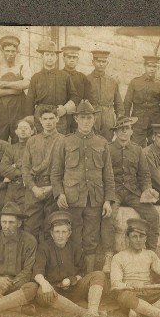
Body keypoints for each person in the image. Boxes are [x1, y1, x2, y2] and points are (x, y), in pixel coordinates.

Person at [50, 100, 116, 273]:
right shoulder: (65, 142)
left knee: (91, 239)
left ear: (94, 120)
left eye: (89, 118)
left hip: (94, 200)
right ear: (76, 120)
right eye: (82, 118)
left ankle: (89, 276)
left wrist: (108, 200)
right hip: (71, 200)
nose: (86, 121)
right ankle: (72, 275)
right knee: (72, 238)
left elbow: (108, 176)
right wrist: (59, 194)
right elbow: (56, 173)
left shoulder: (102, 143)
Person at [100, 115, 160, 273]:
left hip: (133, 192)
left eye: (126, 129)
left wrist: (147, 190)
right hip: (114, 192)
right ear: (116, 132)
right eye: (120, 129)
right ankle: (108, 256)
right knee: (108, 217)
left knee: (153, 215)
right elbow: (103, 174)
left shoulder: (137, 149)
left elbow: (144, 175)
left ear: (131, 130)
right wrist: (108, 197)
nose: (124, 132)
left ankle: (152, 254)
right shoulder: (107, 148)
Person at [34, 211, 109, 317]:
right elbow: (37, 272)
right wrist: (44, 283)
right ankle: (85, 312)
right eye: (57, 232)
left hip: (73, 290)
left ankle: (93, 310)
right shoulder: (44, 248)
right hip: (52, 291)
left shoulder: (75, 248)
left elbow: (82, 272)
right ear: (51, 233)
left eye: (64, 232)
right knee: (42, 293)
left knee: (98, 274)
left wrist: (72, 279)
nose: (60, 235)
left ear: (69, 233)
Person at [21, 105, 63, 241]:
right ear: (40, 120)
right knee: (30, 229)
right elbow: (25, 169)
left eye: (52, 118)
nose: (48, 122)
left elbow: (68, 170)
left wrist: (53, 188)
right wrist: (34, 188)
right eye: (45, 119)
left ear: (57, 119)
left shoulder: (64, 141)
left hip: (54, 190)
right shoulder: (32, 141)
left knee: (51, 230)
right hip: (35, 189)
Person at [25, 39, 78, 134]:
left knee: (59, 143)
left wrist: (65, 109)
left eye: (52, 55)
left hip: (58, 115)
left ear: (56, 58)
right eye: (47, 55)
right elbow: (29, 99)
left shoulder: (65, 76)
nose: (50, 58)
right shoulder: (36, 77)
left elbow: (74, 96)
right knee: (40, 143)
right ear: (42, 57)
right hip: (40, 116)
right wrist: (30, 118)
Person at [0, 35, 33, 143]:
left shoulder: (23, 68)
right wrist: (13, 91)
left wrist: (2, 84)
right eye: (7, 51)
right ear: (2, 51)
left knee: (20, 140)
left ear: (17, 52)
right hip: (0, 111)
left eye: (13, 51)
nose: (10, 54)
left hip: (19, 110)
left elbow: (25, 84)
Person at [123, 55, 160, 147]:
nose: (152, 69)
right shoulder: (135, 82)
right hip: (138, 121)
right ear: (145, 66)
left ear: (158, 68)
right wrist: (126, 121)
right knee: (135, 147)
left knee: (153, 148)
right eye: (149, 66)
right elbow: (127, 103)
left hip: (154, 121)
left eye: (154, 67)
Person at [87, 50, 124, 141]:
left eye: (103, 62)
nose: (101, 64)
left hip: (108, 117)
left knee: (107, 142)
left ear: (107, 63)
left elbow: (118, 102)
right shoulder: (87, 79)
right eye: (98, 61)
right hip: (92, 115)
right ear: (93, 62)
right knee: (91, 141)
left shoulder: (112, 81)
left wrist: (120, 117)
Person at [0, 117, 35, 212]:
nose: (23, 130)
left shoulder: (36, 148)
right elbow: (4, 169)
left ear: (32, 131)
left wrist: (15, 165)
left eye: (26, 128)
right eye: (20, 128)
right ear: (16, 132)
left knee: (26, 214)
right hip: (12, 188)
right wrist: (23, 172)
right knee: (8, 212)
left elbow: (35, 168)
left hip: (28, 188)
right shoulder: (11, 149)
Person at [60, 45, 98, 132]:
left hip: (78, 117)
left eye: (74, 57)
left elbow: (89, 98)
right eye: (69, 57)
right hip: (62, 116)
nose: (72, 60)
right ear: (63, 58)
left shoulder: (83, 78)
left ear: (77, 59)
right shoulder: (58, 76)